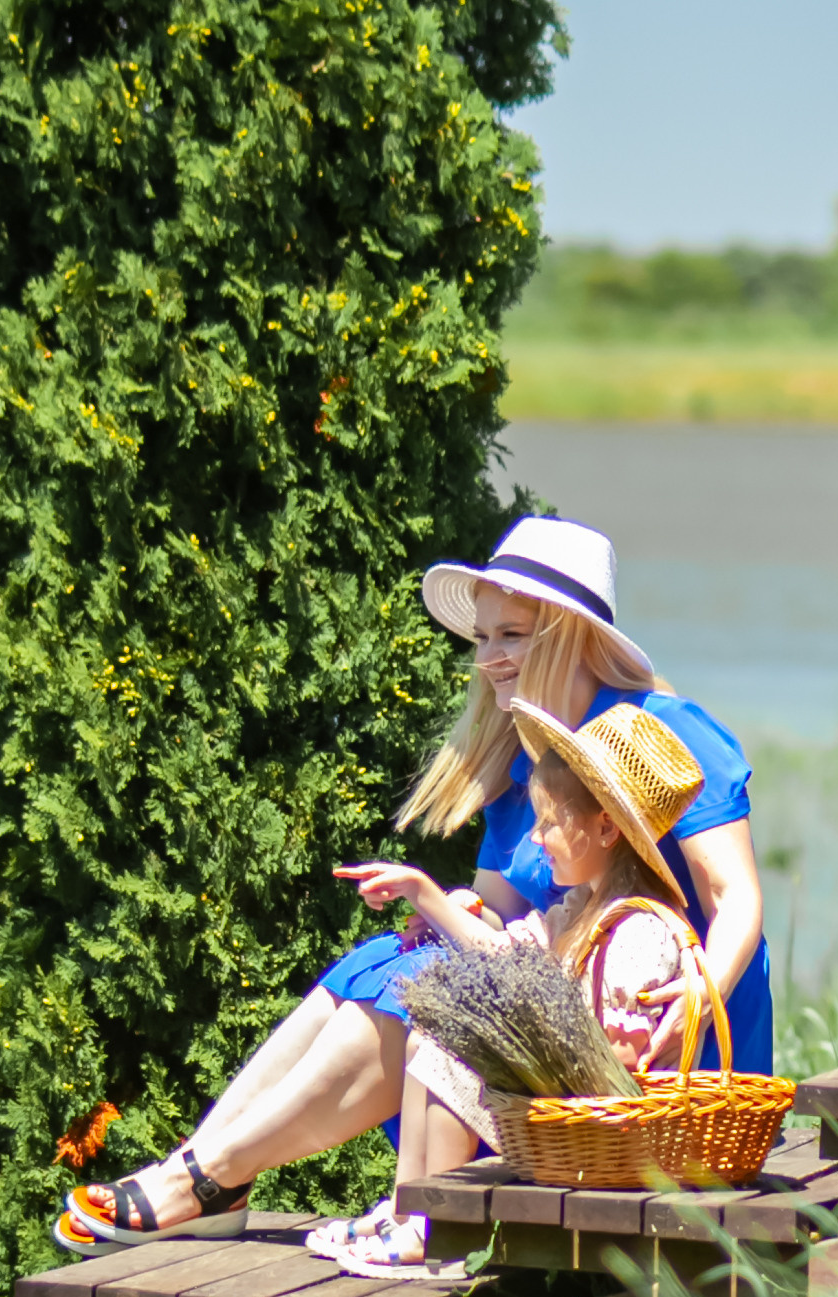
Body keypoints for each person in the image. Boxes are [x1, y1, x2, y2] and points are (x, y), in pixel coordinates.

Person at [56, 515, 770, 1249]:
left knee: (420, 978)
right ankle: (205, 1170)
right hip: (569, 999)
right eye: (483, 637)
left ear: (571, 636)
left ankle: (207, 1179)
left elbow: (736, 898)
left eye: (512, 636)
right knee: (380, 960)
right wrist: (456, 904)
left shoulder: (659, 734)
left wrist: (696, 997)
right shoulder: (527, 760)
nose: (488, 657)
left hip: (662, 1047)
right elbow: (503, 912)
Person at [312, 698, 709, 1275]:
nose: (538, 839)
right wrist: (422, 892)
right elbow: (504, 952)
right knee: (433, 1037)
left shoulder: (639, 930)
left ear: (604, 828)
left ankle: (442, 1228)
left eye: (550, 822)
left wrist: (526, 1039)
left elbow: (622, 1056)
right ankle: (413, 1208)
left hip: (607, 1128)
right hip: (575, 1110)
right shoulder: (580, 910)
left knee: (459, 1059)